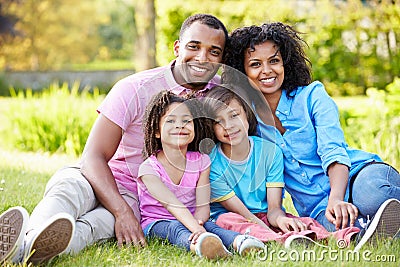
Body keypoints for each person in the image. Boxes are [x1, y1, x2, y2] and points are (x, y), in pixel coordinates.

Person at [0, 13, 229, 265]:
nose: (202, 58)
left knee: (93, 228)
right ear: (177, 48)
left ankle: (25, 253)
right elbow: (93, 156)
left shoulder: (218, 98)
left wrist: (126, 211)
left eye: (213, 52)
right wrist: (121, 211)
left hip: (134, 194)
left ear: (221, 60)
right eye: (193, 46)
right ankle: (28, 240)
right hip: (94, 175)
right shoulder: (134, 88)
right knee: (66, 193)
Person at [222, 22, 400, 250]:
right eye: (255, 64)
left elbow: (332, 150)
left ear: (285, 62)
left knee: (374, 196)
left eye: (274, 61)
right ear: (242, 71)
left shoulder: (313, 96)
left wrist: (336, 198)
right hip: (317, 208)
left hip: (358, 175)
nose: (267, 70)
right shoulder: (246, 120)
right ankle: (374, 228)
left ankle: (376, 217)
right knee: (340, 227)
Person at [203, 85, 359, 247]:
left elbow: (274, 209)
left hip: (264, 215)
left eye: (234, 115)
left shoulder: (270, 152)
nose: (228, 126)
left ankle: (342, 236)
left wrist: (280, 220)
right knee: (230, 220)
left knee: (300, 222)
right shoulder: (211, 164)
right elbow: (243, 214)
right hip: (233, 217)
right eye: (218, 122)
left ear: (247, 114)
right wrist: (270, 231)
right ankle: (282, 240)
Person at [137, 90, 265, 259]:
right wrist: (197, 229)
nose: (180, 125)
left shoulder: (202, 162)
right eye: (171, 121)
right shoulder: (148, 169)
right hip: (158, 222)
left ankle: (240, 242)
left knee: (213, 227)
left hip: (193, 219)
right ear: (156, 131)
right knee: (176, 229)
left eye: (186, 121)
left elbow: (203, 205)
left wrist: (199, 221)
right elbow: (174, 206)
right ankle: (202, 245)